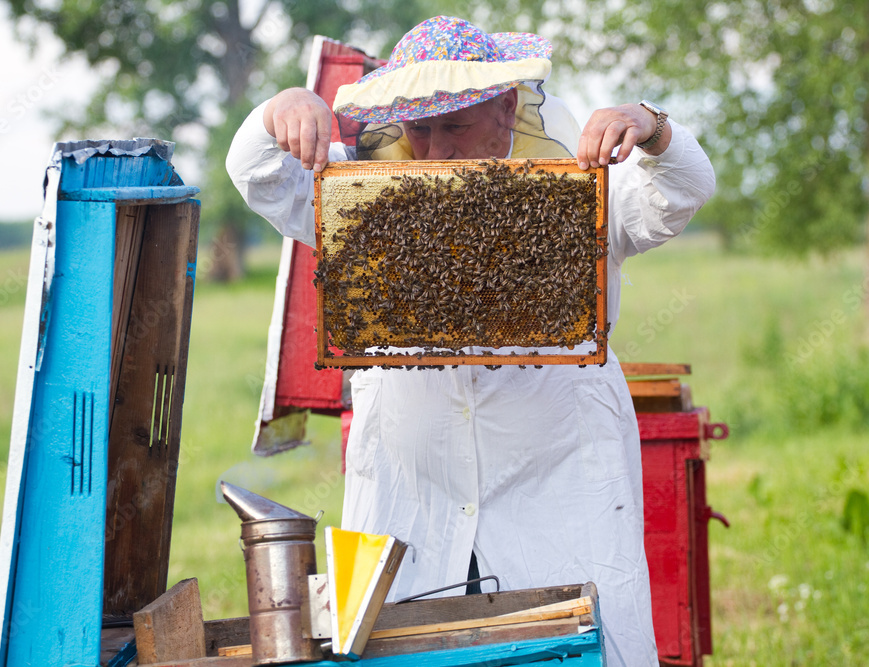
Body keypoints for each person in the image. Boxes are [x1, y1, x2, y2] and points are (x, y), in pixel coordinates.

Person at [227, 16, 715, 666]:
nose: (432, 152)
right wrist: (280, 109)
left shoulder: (578, 185)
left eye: (452, 127)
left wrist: (651, 125)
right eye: (418, 130)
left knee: (578, 647)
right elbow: (257, 171)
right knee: (408, 648)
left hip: (558, 484)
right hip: (414, 489)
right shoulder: (363, 195)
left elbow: (682, 187)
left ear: (507, 107)